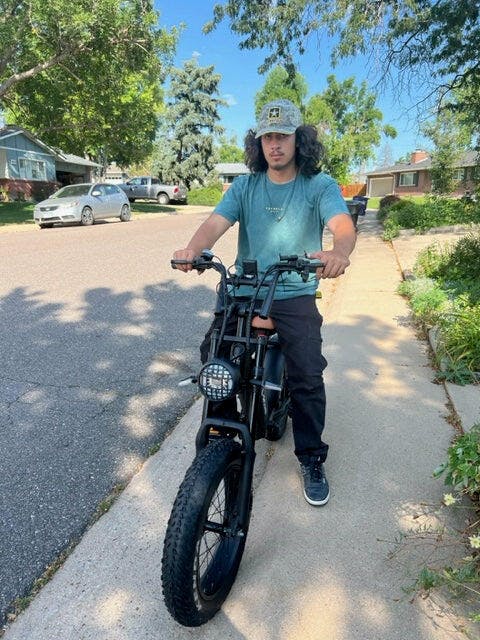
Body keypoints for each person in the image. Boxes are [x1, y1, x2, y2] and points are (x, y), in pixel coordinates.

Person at [173, 99, 356, 506]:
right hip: (246, 290)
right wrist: (192, 250)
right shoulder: (245, 186)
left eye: (283, 136)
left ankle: (311, 457)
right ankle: (222, 433)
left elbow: (342, 225)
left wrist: (339, 252)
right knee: (214, 357)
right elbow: (214, 223)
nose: (275, 144)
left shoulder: (319, 185)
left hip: (294, 292)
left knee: (307, 375)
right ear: (258, 143)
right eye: (267, 137)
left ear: (298, 139)